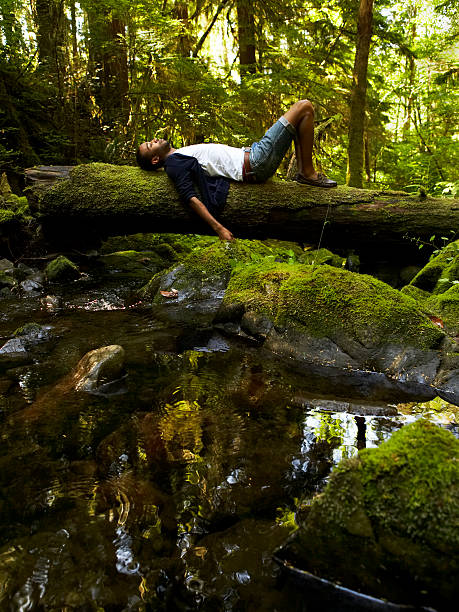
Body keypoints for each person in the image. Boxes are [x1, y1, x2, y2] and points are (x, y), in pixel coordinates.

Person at [136, 100, 337, 241]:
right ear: (155, 159)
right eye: (149, 145)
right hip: (256, 163)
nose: (154, 140)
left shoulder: (178, 154)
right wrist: (219, 228)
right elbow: (190, 198)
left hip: (254, 155)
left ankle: (305, 171)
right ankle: (308, 174)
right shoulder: (174, 164)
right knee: (304, 107)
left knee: (303, 115)